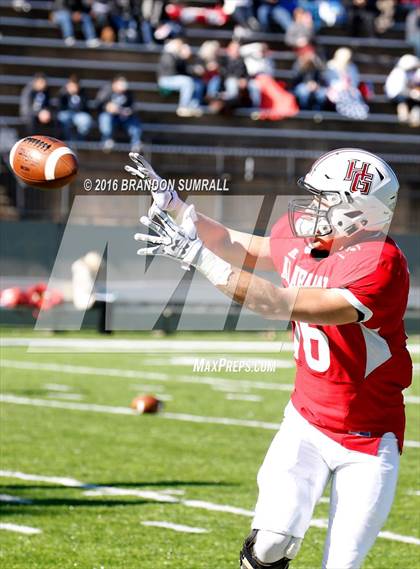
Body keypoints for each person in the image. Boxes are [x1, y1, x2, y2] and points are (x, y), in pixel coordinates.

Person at [125, 148, 412, 569]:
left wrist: (196, 257)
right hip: (306, 423)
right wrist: (178, 206)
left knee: (342, 565)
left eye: (325, 199)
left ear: (358, 212)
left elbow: (277, 303)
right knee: (271, 544)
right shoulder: (309, 236)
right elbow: (234, 244)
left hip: (369, 439)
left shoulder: (379, 265)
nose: (313, 207)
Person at [157, 38, 204, 117]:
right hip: (166, 79)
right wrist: (181, 57)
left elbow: (184, 71)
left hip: (176, 79)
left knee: (197, 83)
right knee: (187, 81)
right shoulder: (168, 54)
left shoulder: (178, 57)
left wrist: (193, 69)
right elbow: (172, 70)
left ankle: (193, 106)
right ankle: (183, 106)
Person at [96, 76, 143, 151]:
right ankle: (107, 140)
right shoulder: (107, 90)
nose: (122, 88)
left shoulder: (128, 93)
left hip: (124, 117)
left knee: (134, 121)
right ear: (114, 84)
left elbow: (134, 107)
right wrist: (107, 107)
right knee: (105, 117)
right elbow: (98, 104)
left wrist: (129, 111)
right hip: (111, 117)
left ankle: (136, 143)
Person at [325, 47, 369, 120]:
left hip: (350, 91)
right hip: (336, 92)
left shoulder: (352, 67)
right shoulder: (330, 67)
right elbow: (331, 82)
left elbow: (354, 82)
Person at [385, 54, 420, 128]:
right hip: (397, 95)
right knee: (402, 99)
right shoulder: (399, 73)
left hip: (406, 95)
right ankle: (403, 116)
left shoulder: (410, 73)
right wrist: (411, 93)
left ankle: (415, 119)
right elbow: (399, 90)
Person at [58, 75, 93, 141]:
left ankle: (80, 141)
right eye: (71, 86)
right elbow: (61, 107)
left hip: (79, 114)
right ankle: (68, 140)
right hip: (67, 113)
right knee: (63, 118)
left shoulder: (83, 93)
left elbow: (84, 107)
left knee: (86, 119)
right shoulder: (63, 93)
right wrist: (67, 94)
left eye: (74, 86)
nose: (73, 88)